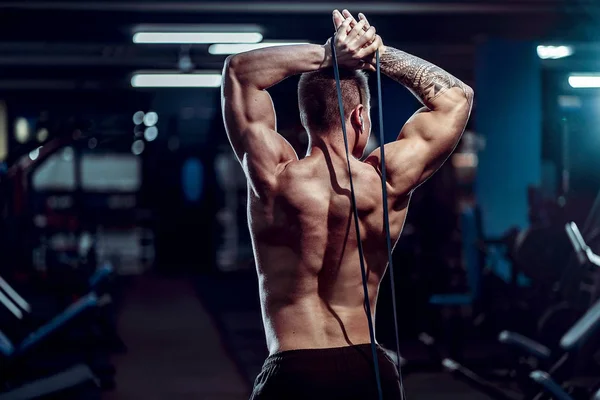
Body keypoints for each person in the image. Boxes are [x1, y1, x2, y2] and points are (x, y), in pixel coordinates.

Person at [221, 9, 474, 400]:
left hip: (294, 371)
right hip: (366, 369)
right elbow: (457, 97)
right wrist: (376, 51)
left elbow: (239, 72)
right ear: (360, 117)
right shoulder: (386, 182)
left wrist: (328, 56)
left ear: (306, 118)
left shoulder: (273, 177)